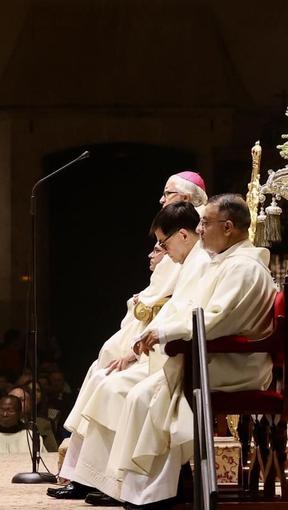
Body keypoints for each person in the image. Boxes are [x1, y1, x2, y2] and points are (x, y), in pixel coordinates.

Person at [99, 193, 277, 508]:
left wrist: (166, 332)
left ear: (228, 227)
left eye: (205, 223)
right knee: (143, 392)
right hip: (218, 357)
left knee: (147, 395)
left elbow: (215, 320)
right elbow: (202, 313)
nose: (199, 229)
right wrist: (163, 331)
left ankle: (157, 492)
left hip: (234, 364)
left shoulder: (244, 268)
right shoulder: (228, 261)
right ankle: (152, 488)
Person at [50, 200, 208, 500]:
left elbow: (194, 315)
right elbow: (172, 308)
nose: (161, 250)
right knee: (104, 380)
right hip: (165, 353)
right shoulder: (188, 262)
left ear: (183, 235)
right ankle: (97, 479)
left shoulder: (199, 263)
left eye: (163, 243)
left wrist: (150, 338)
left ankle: (119, 485)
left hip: (176, 359)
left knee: (114, 389)